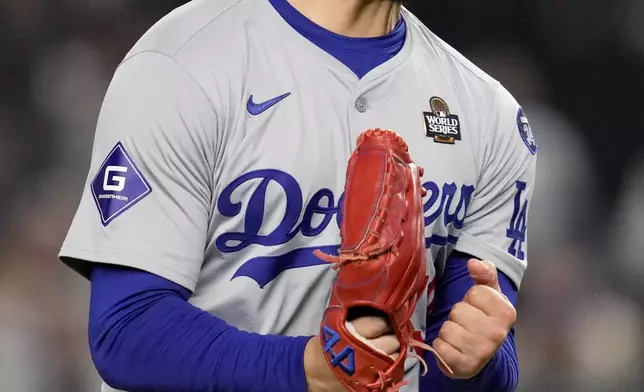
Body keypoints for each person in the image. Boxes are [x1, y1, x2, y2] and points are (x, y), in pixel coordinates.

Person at [59, 0, 537, 391]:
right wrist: (305, 368)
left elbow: (460, 361)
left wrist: (478, 366)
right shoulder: (182, 65)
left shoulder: (489, 116)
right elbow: (126, 328)